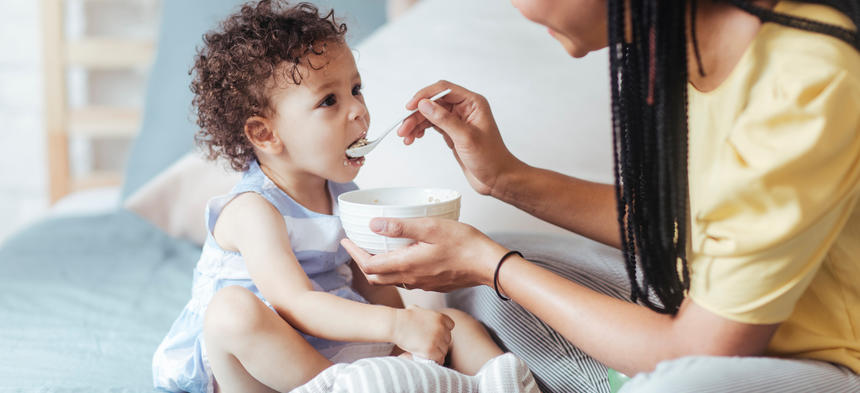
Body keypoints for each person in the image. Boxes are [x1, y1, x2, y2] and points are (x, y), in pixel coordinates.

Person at [341, 0, 860, 392]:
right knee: (476, 289)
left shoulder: (806, 82)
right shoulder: (671, 40)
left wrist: (490, 263)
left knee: (677, 385)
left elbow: (700, 351)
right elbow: (684, 229)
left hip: (823, 358)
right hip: (704, 304)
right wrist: (502, 178)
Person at [151, 1, 503, 392]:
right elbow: (296, 303)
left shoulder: (344, 197)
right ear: (266, 135)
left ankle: (503, 384)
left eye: (356, 89)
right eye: (329, 101)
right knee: (231, 314)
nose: (358, 111)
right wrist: (395, 327)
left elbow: (371, 284)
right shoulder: (253, 210)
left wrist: (410, 332)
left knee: (458, 326)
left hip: (336, 358)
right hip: (263, 370)